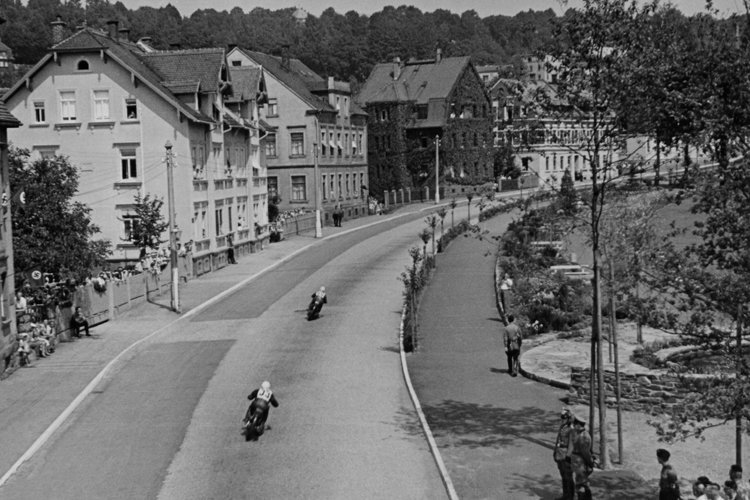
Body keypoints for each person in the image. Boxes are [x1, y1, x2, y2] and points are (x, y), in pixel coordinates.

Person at [568, 414, 593, 500]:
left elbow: (585, 451)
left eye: (575, 424)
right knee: (582, 483)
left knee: (581, 483)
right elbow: (585, 453)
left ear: (579, 425)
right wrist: (590, 462)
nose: (574, 426)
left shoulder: (580, 435)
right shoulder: (583, 435)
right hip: (580, 461)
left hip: (578, 461)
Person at [553, 407, 574, 500]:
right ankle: (565, 495)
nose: (562, 420)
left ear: (568, 419)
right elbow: (558, 440)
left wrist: (568, 457)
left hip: (566, 455)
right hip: (560, 454)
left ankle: (570, 496)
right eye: (562, 418)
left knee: (568, 477)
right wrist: (555, 452)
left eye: (564, 418)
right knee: (563, 476)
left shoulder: (570, 430)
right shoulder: (562, 427)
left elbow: (571, 445)